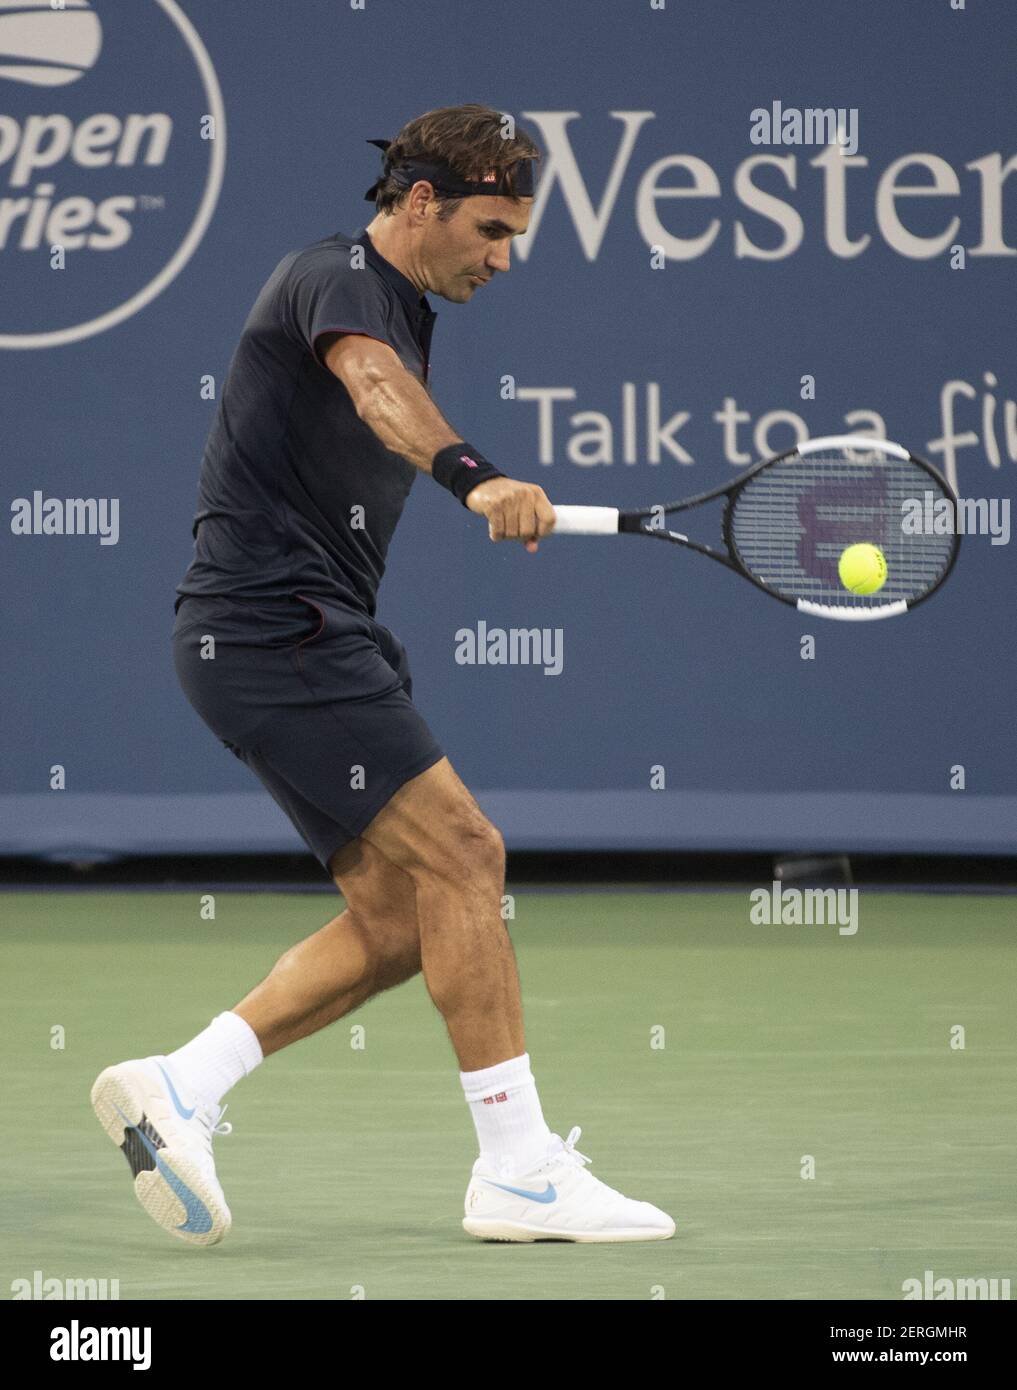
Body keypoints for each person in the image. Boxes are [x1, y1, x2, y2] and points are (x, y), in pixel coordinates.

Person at [90, 104, 675, 1245]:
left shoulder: (397, 297)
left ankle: (183, 1083)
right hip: (273, 628)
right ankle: (516, 1169)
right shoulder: (341, 278)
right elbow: (374, 387)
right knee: (468, 851)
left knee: (410, 913)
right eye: (491, 229)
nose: (502, 259)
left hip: (297, 631)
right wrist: (476, 476)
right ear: (419, 204)